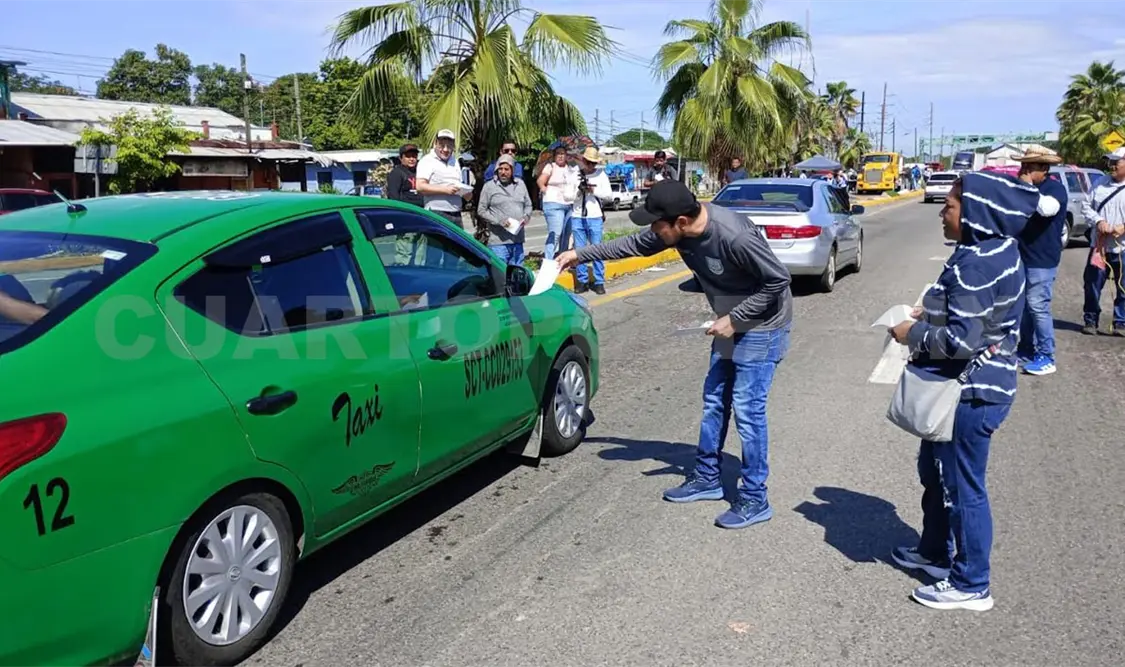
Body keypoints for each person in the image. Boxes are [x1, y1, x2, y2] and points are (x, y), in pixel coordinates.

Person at [555, 179, 792, 529]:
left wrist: (736, 319)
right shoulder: (675, 229)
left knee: (747, 409)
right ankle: (707, 478)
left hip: (763, 326)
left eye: (656, 223)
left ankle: (755, 497)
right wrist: (579, 254)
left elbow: (778, 281)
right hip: (729, 315)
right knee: (714, 400)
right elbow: (633, 245)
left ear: (680, 222)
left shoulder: (734, 235)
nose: (652, 230)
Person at [887, 172, 1059, 611]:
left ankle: (971, 582)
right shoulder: (985, 250)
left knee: (963, 488)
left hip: (972, 393)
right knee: (935, 472)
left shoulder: (980, 261)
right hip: (961, 388)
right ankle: (934, 552)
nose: (942, 212)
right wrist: (932, 310)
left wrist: (912, 333)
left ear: (976, 214)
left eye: (950, 205)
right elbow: (974, 317)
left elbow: (964, 342)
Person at [1014, 148, 1066, 375]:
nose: (1024, 170)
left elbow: (1047, 209)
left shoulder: (1054, 189)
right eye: (1024, 165)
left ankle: (1046, 356)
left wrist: (1026, 188)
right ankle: (1025, 349)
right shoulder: (1027, 188)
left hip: (1042, 259)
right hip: (1023, 255)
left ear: (1043, 168)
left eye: (1030, 166)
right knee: (1025, 307)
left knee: (1038, 307)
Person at [1081, 147, 1125, 337]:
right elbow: (1085, 207)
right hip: (1099, 247)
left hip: (1122, 248)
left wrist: (1123, 227)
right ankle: (1090, 320)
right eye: (1111, 162)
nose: (1112, 166)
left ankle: (1121, 322)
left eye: (1117, 162)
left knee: (1123, 287)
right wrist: (1099, 221)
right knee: (1092, 285)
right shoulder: (1099, 184)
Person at [569, 147, 613, 295]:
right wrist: (579, 192)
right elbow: (568, 196)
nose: (590, 166)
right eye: (588, 162)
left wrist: (593, 191)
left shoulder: (601, 175)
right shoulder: (575, 174)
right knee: (579, 250)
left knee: (597, 249)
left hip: (594, 216)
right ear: (583, 161)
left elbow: (609, 196)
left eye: (593, 163)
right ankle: (582, 281)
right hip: (577, 215)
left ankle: (599, 281)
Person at [477, 154, 532, 266]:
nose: (503, 172)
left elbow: (529, 205)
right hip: (498, 243)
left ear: (512, 170)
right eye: (500, 169)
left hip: (517, 241)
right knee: (501, 278)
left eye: (506, 169)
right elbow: (481, 210)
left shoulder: (520, 184)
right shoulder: (489, 186)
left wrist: (526, 217)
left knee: (516, 276)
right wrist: (499, 221)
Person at [416, 128, 472, 228]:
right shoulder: (427, 160)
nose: (445, 149)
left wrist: (465, 193)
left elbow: (458, 184)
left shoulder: (455, 162)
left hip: (456, 213)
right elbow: (420, 186)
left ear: (453, 146)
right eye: (442, 145)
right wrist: (445, 190)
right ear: (435, 144)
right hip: (436, 212)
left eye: (449, 146)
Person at [537, 146, 577, 260]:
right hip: (553, 203)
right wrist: (544, 189)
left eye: (563, 154)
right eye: (558, 154)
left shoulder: (570, 169)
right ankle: (548, 260)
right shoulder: (550, 166)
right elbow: (540, 181)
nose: (560, 156)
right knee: (556, 233)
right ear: (554, 156)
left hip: (569, 203)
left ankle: (561, 258)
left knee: (567, 234)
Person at [385, 143, 423, 208]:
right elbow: (393, 197)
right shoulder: (396, 173)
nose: (411, 159)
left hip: (422, 210)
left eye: (414, 156)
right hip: (406, 210)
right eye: (408, 156)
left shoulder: (421, 171)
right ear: (401, 158)